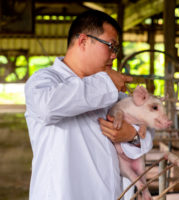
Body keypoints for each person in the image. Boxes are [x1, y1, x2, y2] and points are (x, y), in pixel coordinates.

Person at [24, 9, 153, 200]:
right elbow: (47, 107)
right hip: (63, 193)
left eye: (115, 49)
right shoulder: (45, 80)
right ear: (83, 41)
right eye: (111, 46)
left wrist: (132, 134)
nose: (113, 56)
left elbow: (147, 128)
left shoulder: (108, 90)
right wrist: (106, 82)